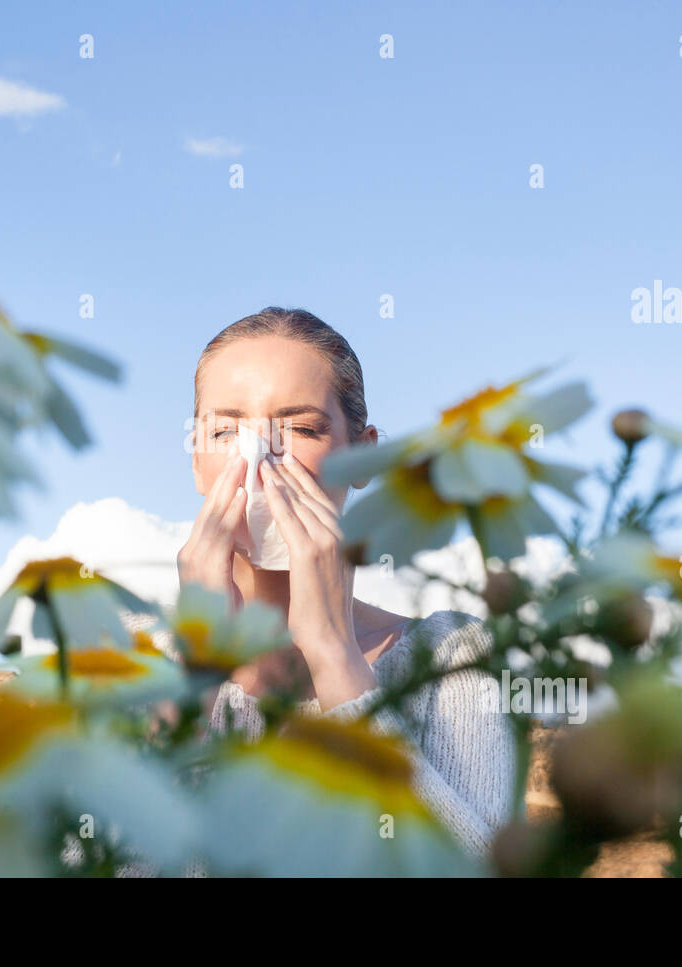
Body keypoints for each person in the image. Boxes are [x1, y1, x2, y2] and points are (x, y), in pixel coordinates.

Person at [173, 306, 518, 864]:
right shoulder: (117, 657)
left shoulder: (453, 655)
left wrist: (337, 658)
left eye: (303, 428)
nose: (259, 454)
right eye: (227, 430)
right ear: (196, 460)